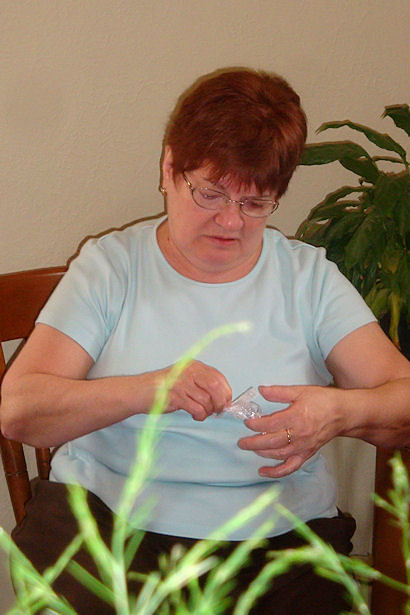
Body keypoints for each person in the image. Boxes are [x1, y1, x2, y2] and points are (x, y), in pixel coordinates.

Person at [1, 67, 409, 615]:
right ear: (170, 169)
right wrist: (150, 390)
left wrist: (339, 412)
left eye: (254, 203)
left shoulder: (306, 279)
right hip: (108, 526)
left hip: (276, 542)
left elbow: (401, 394)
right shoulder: (111, 269)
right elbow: (19, 410)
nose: (230, 222)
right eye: (211, 193)